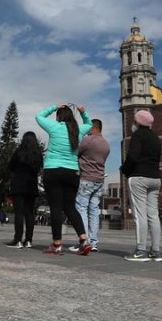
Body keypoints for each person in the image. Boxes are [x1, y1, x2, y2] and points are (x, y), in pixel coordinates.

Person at [35, 103, 94, 256]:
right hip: (72, 172)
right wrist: (83, 112)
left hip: (53, 170)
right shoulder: (78, 130)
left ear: (58, 116)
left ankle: (57, 244)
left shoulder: (54, 127)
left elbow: (39, 116)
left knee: (55, 207)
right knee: (70, 207)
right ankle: (84, 240)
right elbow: (89, 124)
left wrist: (54, 107)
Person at [121, 110, 162, 262]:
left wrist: (124, 169)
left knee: (140, 215)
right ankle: (156, 251)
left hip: (139, 176)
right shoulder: (155, 137)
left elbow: (132, 156)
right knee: (153, 215)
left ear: (138, 122)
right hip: (155, 178)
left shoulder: (137, 135)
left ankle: (141, 250)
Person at [70, 118, 110, 253]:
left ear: (93, 128)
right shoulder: (106, 144)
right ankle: (93, 242)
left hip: (86, 178)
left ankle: (84, 241)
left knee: (81, 208)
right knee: (94, 211)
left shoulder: (87, 140)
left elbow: (75, 153)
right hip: (99, 180)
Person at [5, 131, 42, 249]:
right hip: (32, 185)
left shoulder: (19, 152)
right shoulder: (38, 154)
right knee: (29, 213)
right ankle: (29, 240)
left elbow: (11, 166)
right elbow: (39, 169)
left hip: (19, 184)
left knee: (19, 213)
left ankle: (18, 239)